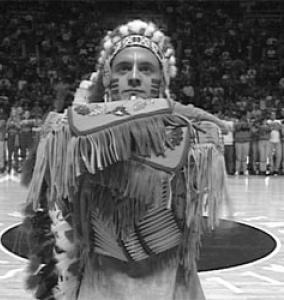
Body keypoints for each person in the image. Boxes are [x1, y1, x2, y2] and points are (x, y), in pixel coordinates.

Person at [21, 20, 230, 300]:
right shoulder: (68, 135)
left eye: (146, 69)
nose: (134, 77)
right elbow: (52, 218)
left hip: (170, 284)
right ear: (107, 79)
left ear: (162, 80)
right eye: (123, 68)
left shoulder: (197, 136)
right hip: (100, 283)